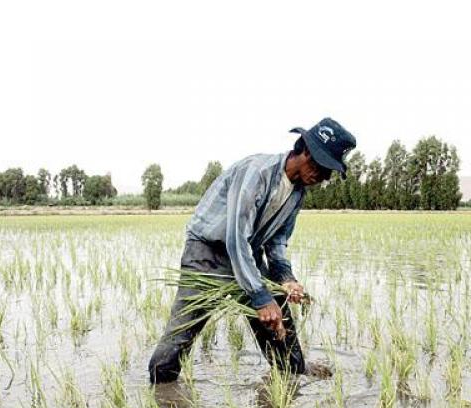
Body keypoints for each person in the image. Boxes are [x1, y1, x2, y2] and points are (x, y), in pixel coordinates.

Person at [148, 118, 356, 383]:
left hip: (249, 254)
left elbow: (278, 241)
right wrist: (260, 297)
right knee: (179, 338)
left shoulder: (297, 193)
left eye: (330, 172)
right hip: (208, 254)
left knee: (281, 328)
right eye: (323, 166)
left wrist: (286, 279)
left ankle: (291, 378)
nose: (324, 177)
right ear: (305, 150)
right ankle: (162, 389)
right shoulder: (256, 172)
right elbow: (236, 238)